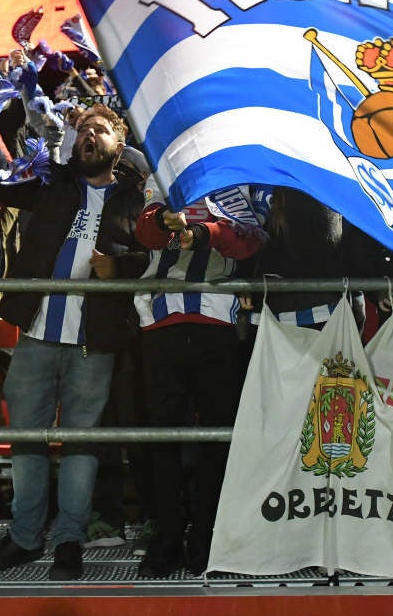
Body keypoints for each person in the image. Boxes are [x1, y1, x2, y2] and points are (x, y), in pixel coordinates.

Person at [0, 104, 148, 581]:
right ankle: (24, 537)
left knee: (81, 443)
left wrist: (121, 266)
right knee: (27, 437)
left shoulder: (137, 197)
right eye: (83, 127)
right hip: (36, 333)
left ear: (120, 140)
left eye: (100, 129)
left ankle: (69, 539)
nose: (89, 134)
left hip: (96, 340)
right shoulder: (53, 183)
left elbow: (150, 256)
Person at [131, 190, 261, 577]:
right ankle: (168, 537)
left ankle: (206, 534)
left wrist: (203, 233)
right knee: (163, 437)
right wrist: (162, 221)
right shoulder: (167, 170)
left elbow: (248, 242)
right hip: (161, 319)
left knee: (216, 437)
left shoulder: (236, 181)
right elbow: (144, 231)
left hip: (219, 322)